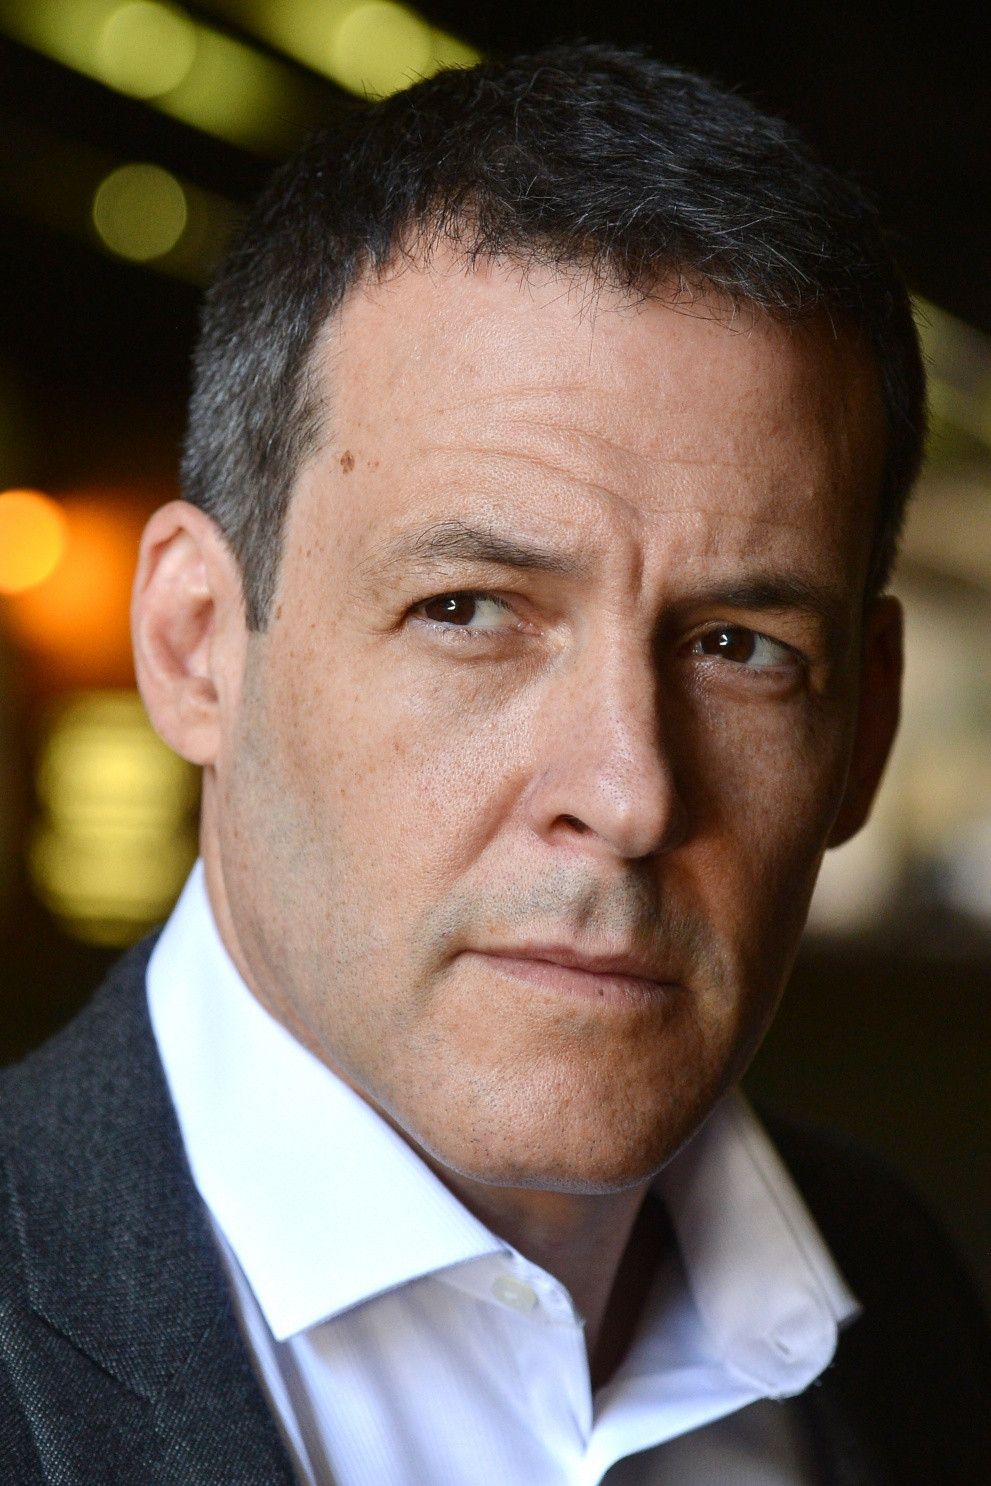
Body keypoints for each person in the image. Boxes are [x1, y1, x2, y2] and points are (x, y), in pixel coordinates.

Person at [2, 42, 989, 1486]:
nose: (630, 794)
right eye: (468, 610)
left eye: (741, 647)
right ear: (197, 645)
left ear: (868, 732)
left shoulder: (909, 1304)